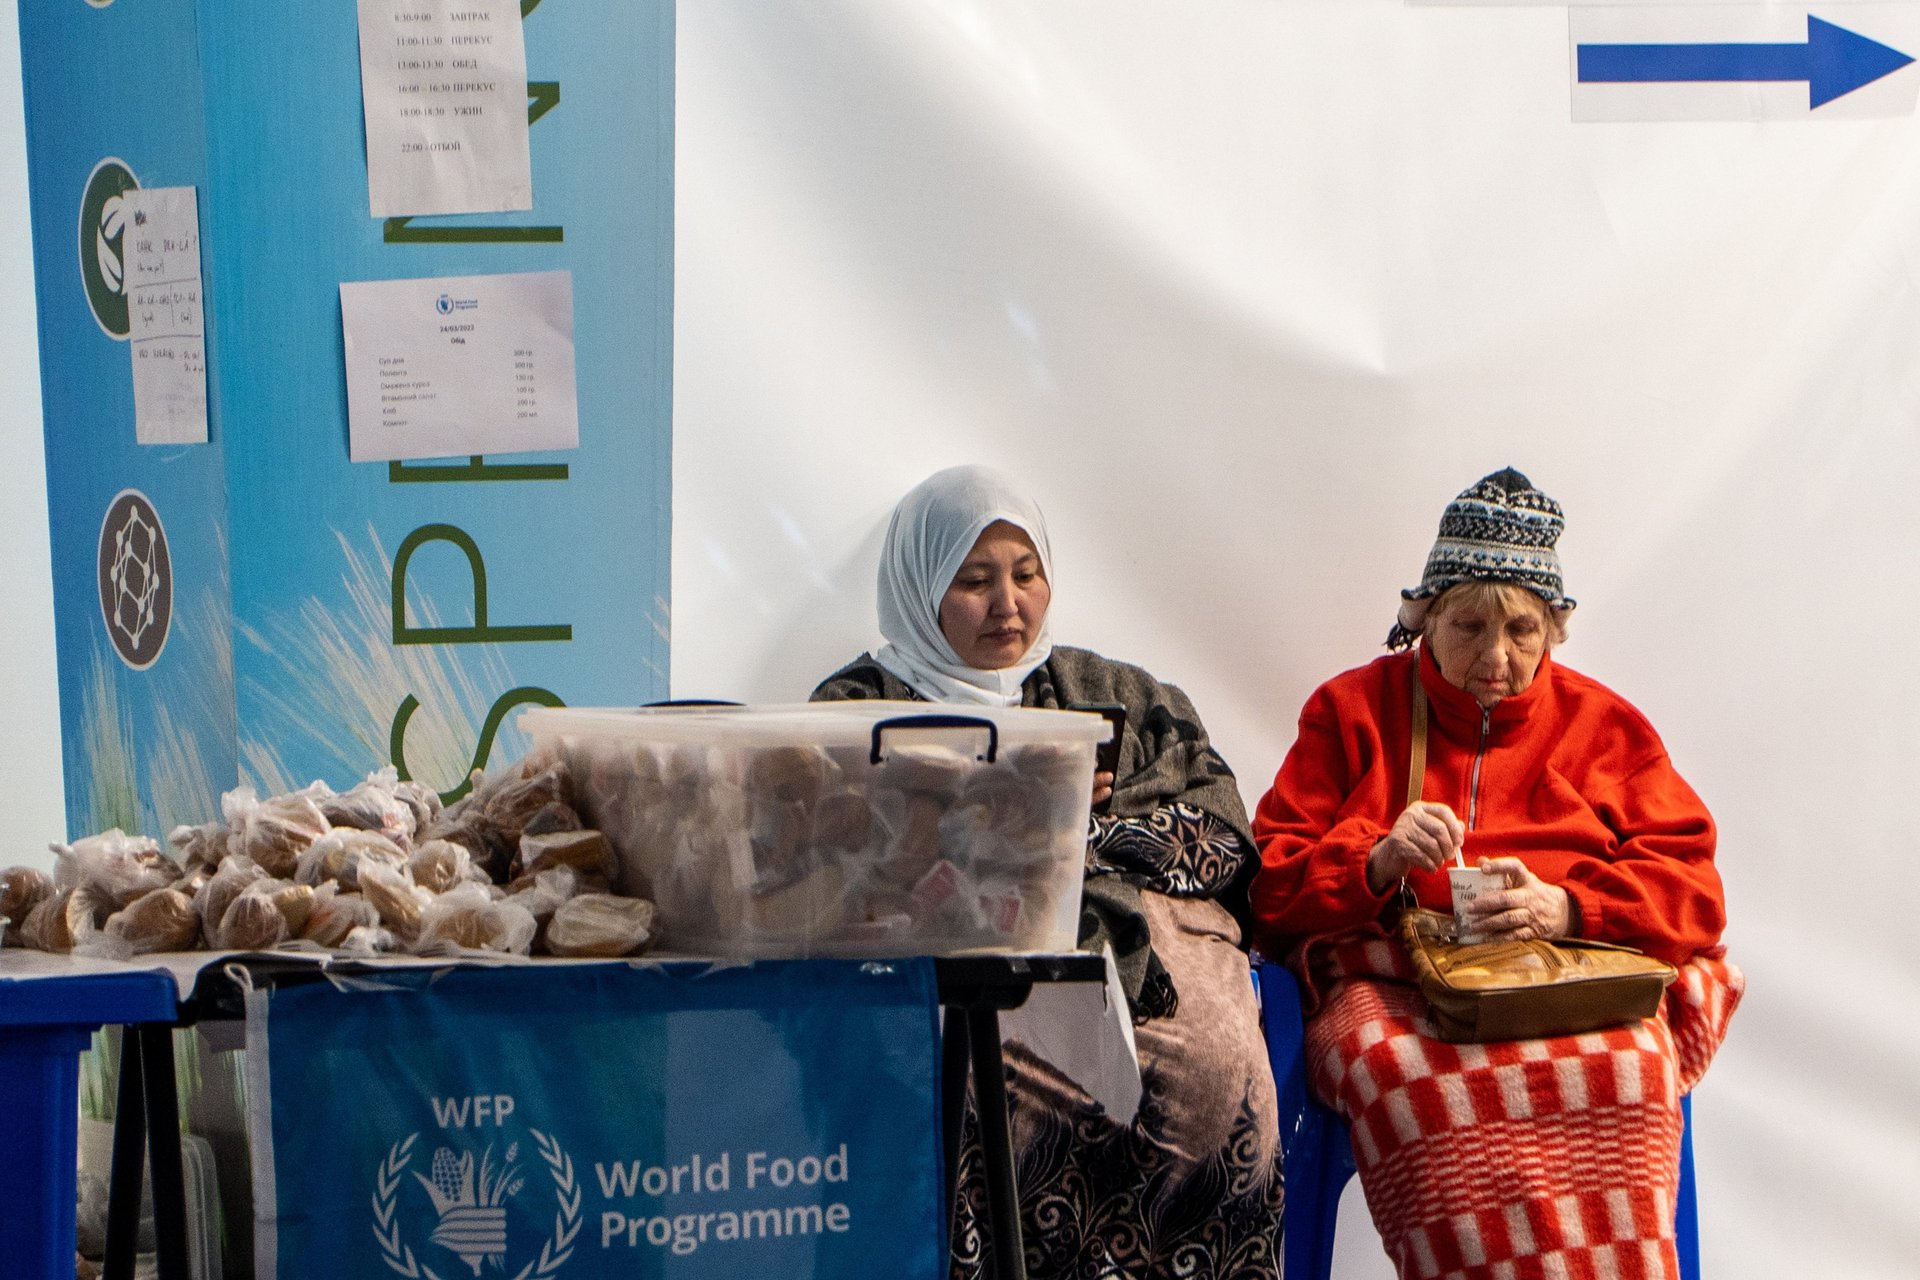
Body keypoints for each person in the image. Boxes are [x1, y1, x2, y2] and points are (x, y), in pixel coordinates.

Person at [1249, 467, 1742, 1280]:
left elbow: (1693, 891)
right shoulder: (1349, 711)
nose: (1495, 656)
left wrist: (1568, 908)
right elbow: (1267, 883)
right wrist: (1374, 860)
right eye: (1468, 626)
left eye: (1521, 630)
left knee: (1633, 1066)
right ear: (1423, 619)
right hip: (1398, 991)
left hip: (1560, 985)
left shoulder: (1606, 727)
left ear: (1554, 630)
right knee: (1407, 1079)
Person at [813, 465, 1282, 1280]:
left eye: (1026, 575)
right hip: (967, 969)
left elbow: (1222, 833)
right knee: (965, 1084)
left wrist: (1083, 833)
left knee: (1218, 1075)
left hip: (1137, 963)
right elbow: (835, 856)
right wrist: (1002, 813)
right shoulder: (860, 709)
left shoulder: (1115, 694)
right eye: (974, 581)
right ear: (920, 586)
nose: (1009, 605)